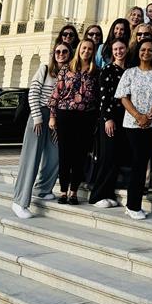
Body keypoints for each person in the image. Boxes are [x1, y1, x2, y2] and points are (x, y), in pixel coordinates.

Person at [11, 41, 71, 219]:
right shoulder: (45, 69)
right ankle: (19, 201)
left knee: (55, 155)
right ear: (53, 54)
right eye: (58, 51)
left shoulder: (69, 73)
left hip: (56, 118)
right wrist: (37, 117)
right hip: (39, 116)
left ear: (70, 54)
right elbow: (33, 93)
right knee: (31, 158)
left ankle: (43, 189)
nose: (61, 54)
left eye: (65, 51)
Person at [115, 37, 152, 219]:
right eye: (143, 50)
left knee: (143, 162)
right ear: (138, 52)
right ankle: (133, 206)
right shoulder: (130, 72)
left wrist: (150, 116)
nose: (146, 53)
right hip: (133, 124)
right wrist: (138, 116)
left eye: (149, 50)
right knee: (138, 163)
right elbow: (123, 97)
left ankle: (133, 205)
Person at [48, 38, 99, 204]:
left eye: (90, 49)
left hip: (86, 117)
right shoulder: (66, 68)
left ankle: (74, 192)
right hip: (65, 114)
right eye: (84, 48)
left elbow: (97, 98)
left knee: (80, 155)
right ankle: (63, 191)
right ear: (79, 49)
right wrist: (52, 116)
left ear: (93, 51)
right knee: (65, 154)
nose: (86, 51)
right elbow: (56, 93)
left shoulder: (95, 71)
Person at [89, 39, 128, 208]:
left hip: (125, 118)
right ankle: (97, 195)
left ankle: (108, 192)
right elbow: (104, 97)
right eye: (116, 49)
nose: (119, 51)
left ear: (126, 49)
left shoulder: (129, 70)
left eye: (121, 48)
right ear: (112, 52)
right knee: (107, 156)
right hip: (110, 118)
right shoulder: (108, 69)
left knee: (116, 157)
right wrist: (108, 118)